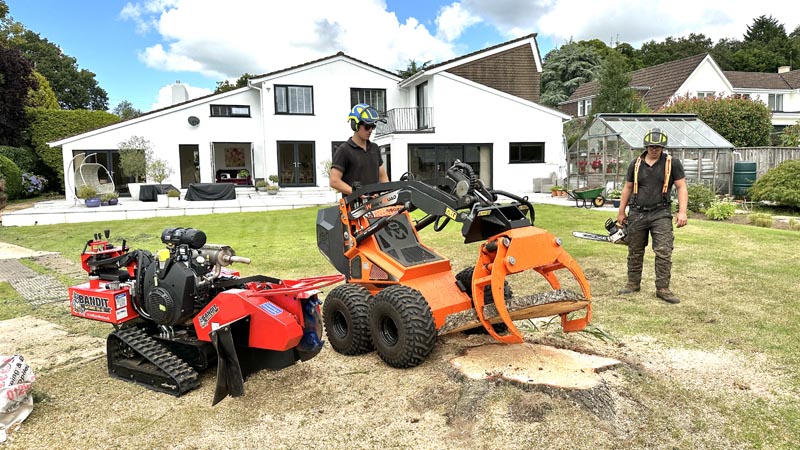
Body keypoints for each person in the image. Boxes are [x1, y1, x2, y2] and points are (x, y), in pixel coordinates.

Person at [616, 128, 688, 304]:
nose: (654, 149)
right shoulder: (635, 163)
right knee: (634, 250)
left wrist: (682, 211)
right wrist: (621, 211)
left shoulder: (673, 163)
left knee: (664, 251)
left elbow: (681, 187)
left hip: (660, 213)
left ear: (663, 147)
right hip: (637, 212)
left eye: (658, 147)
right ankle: (633, 283)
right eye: (650, 146)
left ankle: (663, 289)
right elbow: (627, 187)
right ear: (645, 146)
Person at [330, 103, 389, 195]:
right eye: (367, 127)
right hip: (354, 207)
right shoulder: (344, 150)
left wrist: (387, 195)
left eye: (373, 126)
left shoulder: (375, 148)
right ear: (355, 125)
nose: (370, 130)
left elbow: (383, 178)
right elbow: (334, 181)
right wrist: (358, 194)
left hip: (376, 205)